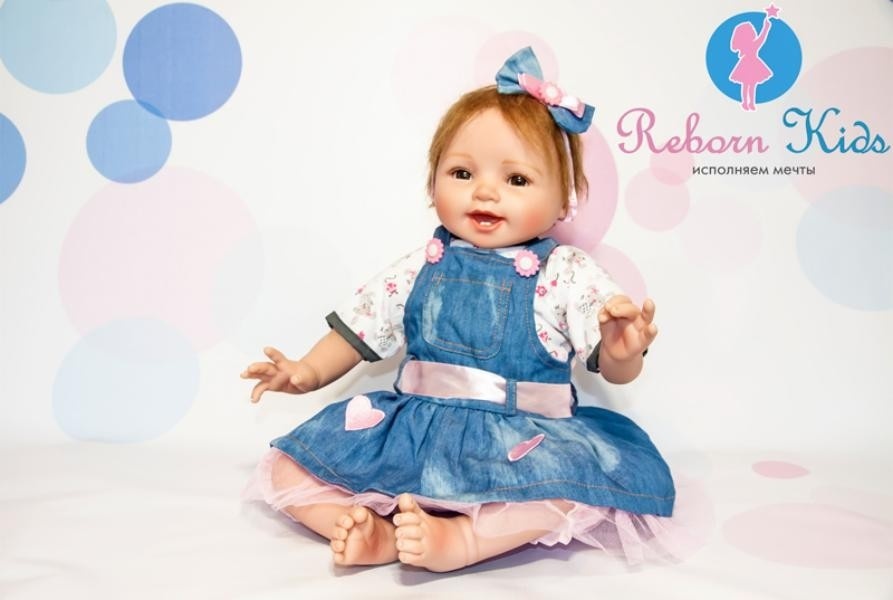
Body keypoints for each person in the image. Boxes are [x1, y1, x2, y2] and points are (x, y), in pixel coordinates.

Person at [242, 47, 674, 572]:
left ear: (564, 200)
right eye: (463, 172)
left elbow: (616, 367)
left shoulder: (564, 271)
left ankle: (465, 540)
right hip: (417, 431)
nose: (485, 192)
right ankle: (365, 530)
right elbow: (361, 327)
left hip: (520, 438)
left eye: (516, 180)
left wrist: (622, 351)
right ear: (433, 183)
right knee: (289, 467)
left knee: (567, 486)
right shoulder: (420, 265)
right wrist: (306, 371)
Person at [729, 15, 774, 111]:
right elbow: (762, 38)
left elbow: (762, 38)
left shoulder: (748, 46)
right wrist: (766, 27)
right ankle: (748, 103)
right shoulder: (752, 45)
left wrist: (766, 27)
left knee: (748, 85)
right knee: (750, 85)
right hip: (749, 65)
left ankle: (749, 103)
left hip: (750, 65)